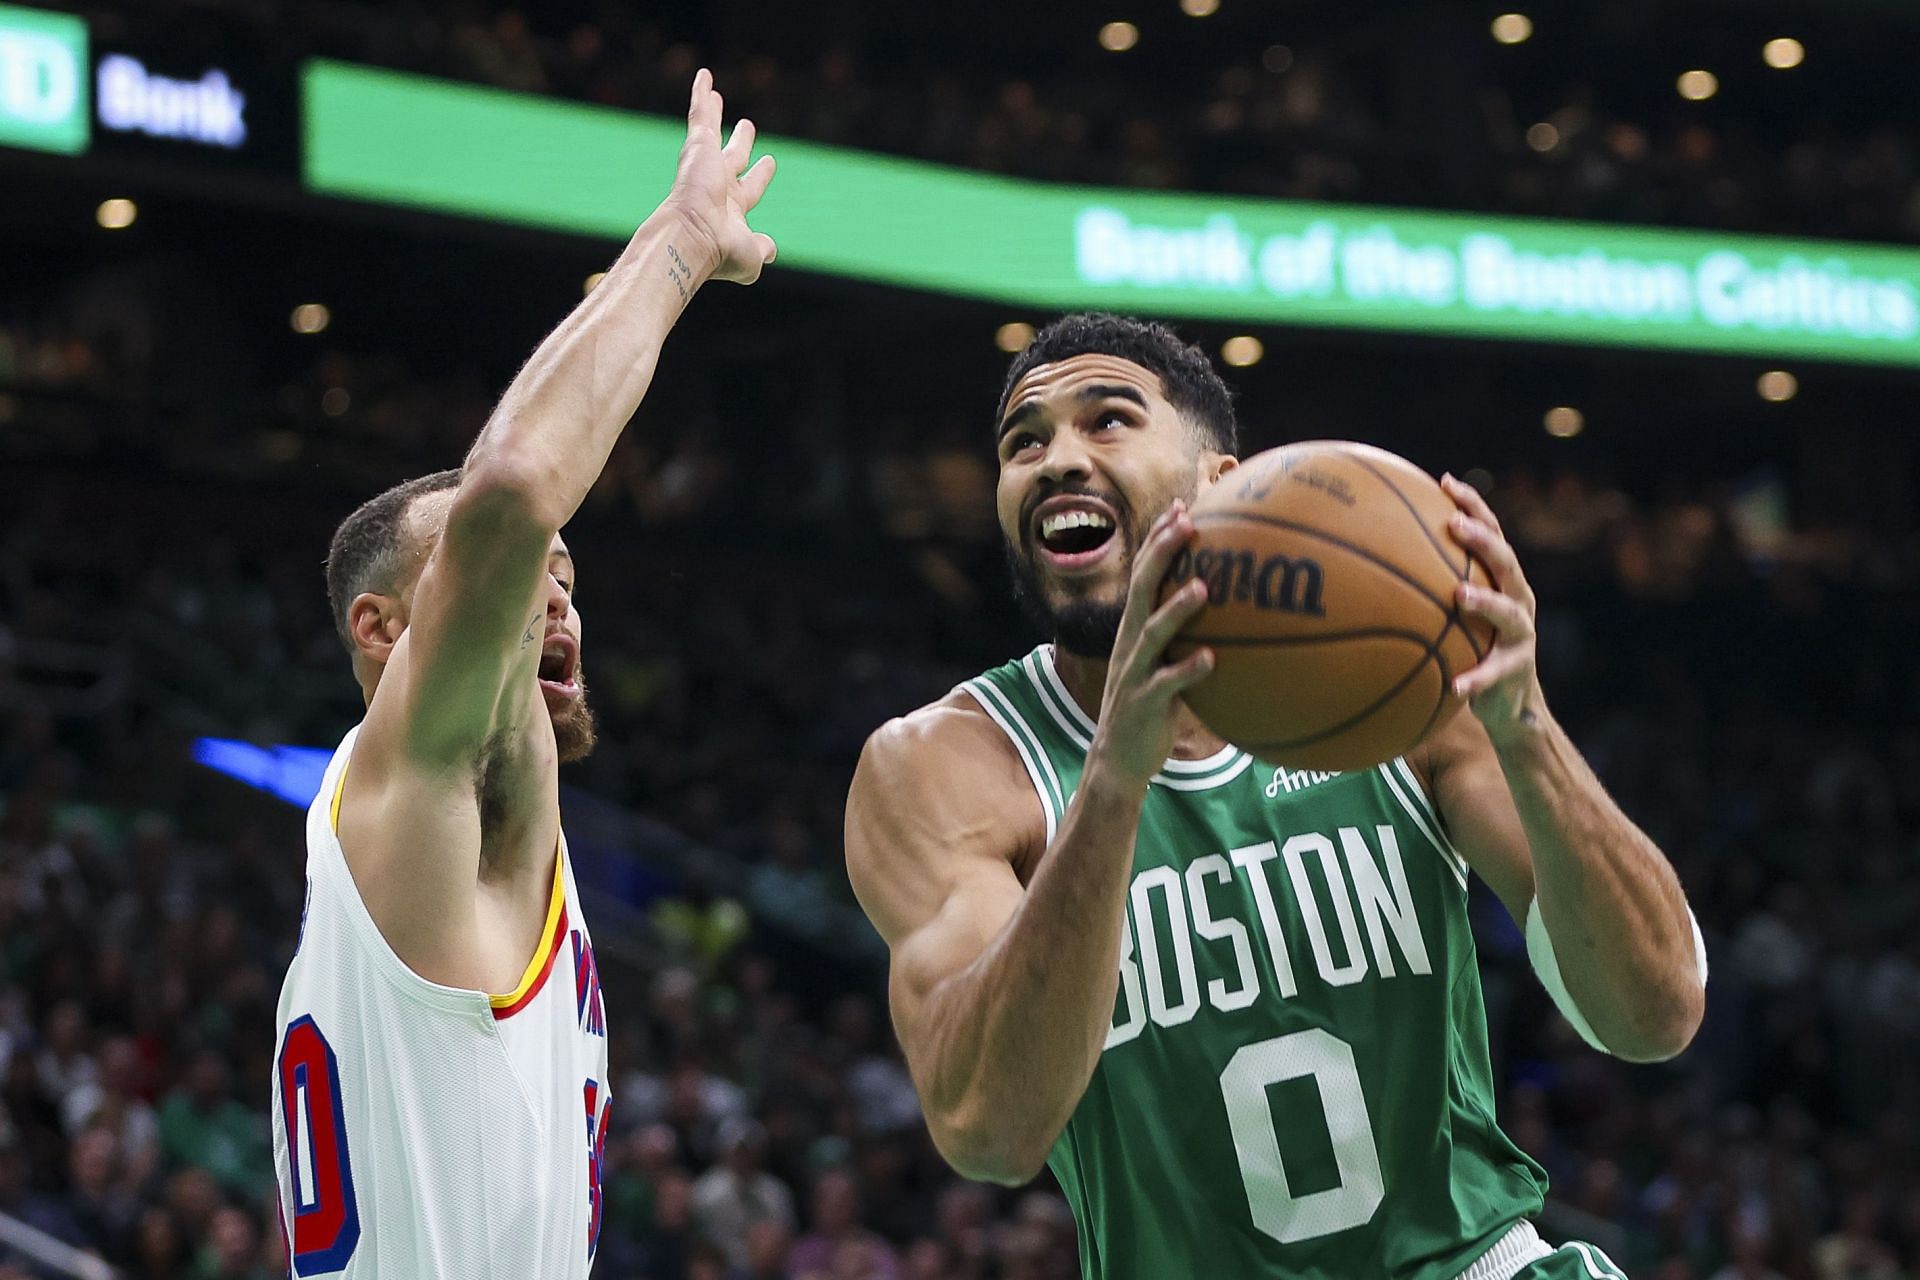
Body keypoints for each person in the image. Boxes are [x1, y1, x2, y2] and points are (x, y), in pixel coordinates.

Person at [844, 313, 1710, 1280]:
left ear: (1224, 482)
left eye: (1109, 420)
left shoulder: (1400, 675)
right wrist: (1116, 781)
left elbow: (1655, 1016)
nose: (1057, 460)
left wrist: (1528, 729)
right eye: (1024, 442)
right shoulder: (945, 765)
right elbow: (988, 1132)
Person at [270, 70, 777, 1278]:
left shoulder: (487, 852)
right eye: (498, 580)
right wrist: (679, 244)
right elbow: (507, 489)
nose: (550, 591)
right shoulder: (405, 795)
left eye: (565, 571)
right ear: (387, 631)